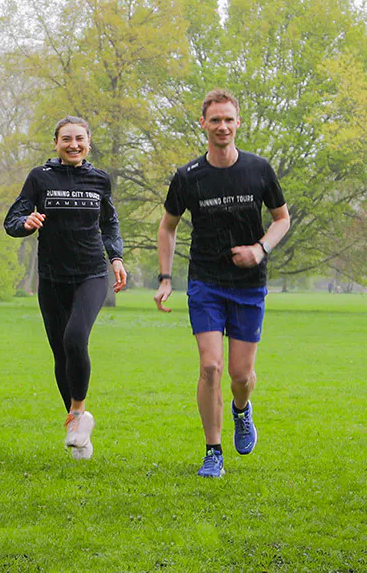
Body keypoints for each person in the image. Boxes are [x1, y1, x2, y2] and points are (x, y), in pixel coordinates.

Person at [154, 90, 290, 478]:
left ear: (238, 122)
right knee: (210, 366)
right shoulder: (187, 177)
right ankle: (213, 451)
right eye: (215, 120)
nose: (222, 127)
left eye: (229, 119)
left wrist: (260, 250)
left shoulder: (259, 169)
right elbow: (168, 226)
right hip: (206, 282)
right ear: (203, 124)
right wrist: (166, 278)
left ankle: (241, 410)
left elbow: (282, 218)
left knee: (240, 376)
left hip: (248, 284)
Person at [4, 116, 127, 461]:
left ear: (89, 142)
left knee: (76, 339)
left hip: (91, 275)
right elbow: (12, 219)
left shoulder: (100, 179)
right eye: (66, 139)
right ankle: (77, 425)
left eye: (80, 139)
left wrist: (115, 257)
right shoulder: (40, 178)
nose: (73, 144)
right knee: (61, 354)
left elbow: (110, 223)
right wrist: (25, 223)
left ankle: (79, 411)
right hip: (52, 278)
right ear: (55, 143)